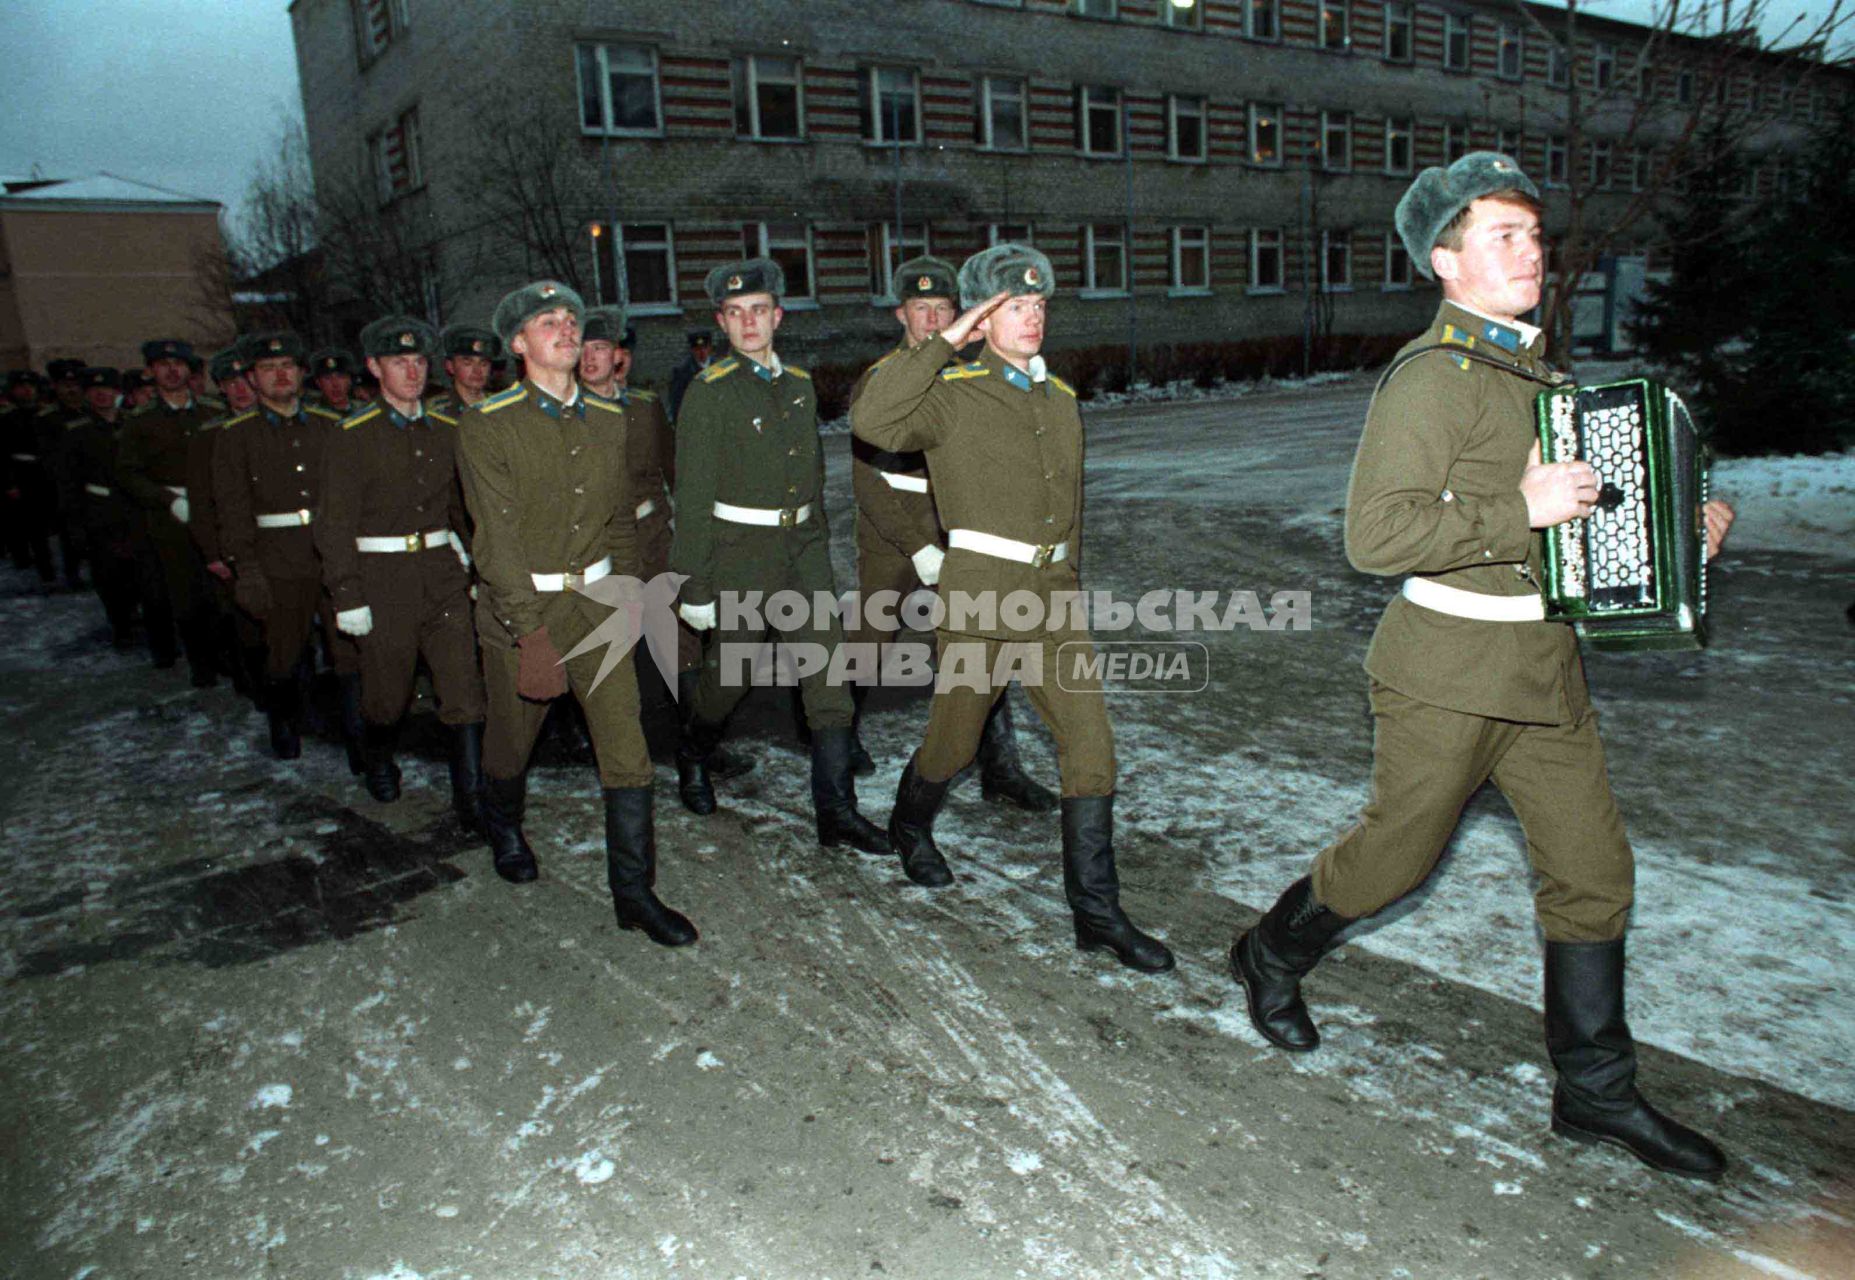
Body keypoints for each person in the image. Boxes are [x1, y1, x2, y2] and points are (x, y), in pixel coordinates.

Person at [1227, 152, 1735, 1183]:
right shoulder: (1432, 377)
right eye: (1502, 235)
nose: (1530, 253)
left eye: (1534, 235)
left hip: (1542, 672)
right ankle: (1271, 950)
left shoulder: (1538, 374)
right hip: (1444, 671)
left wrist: (1685, 534)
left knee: (1594, 875)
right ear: (1443, 261)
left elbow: (1578, 534)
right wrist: (1522, 510)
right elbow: (1375, 534)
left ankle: (1592, 1093)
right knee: (1393, 860)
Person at [850, 244, 1174, 975]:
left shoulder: (1058, 399)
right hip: (979, 597)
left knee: (1091, 747)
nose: (1030, 318)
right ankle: (910, 823)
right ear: (981, 318)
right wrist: (942, 342)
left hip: (1051, 598)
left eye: (1036, 306)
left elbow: (1070, 510)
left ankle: (1096, 914)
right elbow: (873, 419)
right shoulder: (950, 394)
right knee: (954, 742)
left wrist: (1069, 585)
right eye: (1011, 308)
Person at [455, 280, 696, 946]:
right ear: (518, 343)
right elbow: (494, 542)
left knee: (628, 751)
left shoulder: (611, 419)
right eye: (546, 321)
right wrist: (530, 636)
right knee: (512, 742)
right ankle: (502, 822)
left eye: (570, 319)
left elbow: (620, 521)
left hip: (598, 606)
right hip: (523, 614)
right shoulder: (487, 423)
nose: (564, 329)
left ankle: (634, 893)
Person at [669, 259, 889, 853]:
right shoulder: (709, 392)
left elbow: (810, 478)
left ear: (778, 316)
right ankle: (691, 751)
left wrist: (816, 549)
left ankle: (836, 814)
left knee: (829, 677)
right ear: (722, 322)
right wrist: (692, 588)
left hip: (801, 553)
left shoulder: (797, 383)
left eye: (758, 310)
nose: (748, 322)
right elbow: (691, 500)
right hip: (738, 555)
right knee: (730, 677)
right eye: (735, 313)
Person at [848, 254, 1057, 807]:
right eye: (922, 309)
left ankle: (1001, 768)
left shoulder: (974, 374)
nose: (935, 321)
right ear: (901, 315)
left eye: (944, 308)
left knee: (983, 650)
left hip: (959, 532)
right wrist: (917, 548)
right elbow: (868, 482)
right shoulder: (882, 381)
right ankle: (838, 737)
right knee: (872, 640)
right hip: (895, 529)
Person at [315, 317, 486, 822]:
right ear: (373, 368)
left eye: (417, 361)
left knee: (464, 690)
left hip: (441, 575)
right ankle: (379, 753)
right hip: (381, 581)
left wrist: (479, 570)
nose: (411, 372)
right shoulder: (352, 436)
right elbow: (334, 524)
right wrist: (346, 595)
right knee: (387, 698)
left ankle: (472, 800)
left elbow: (462, 510)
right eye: (397, 362)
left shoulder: (449, 431)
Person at [211, 331, 357, 760]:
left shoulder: (330, 426)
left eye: (287, 367)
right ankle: (285, 723)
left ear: (301, 374)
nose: (280, 376)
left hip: (333, 558)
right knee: (285, 653)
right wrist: (247, 569)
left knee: (348, 653)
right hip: (277, 560)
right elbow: (232, 509)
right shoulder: (236, 435)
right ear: (253, 379)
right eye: (268, 369)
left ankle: (358, 742)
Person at [116, 338, 223, 684]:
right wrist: (167, 500)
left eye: (178, 365)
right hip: (170, 521)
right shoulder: (140, 421)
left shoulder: (211, 411)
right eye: (163, 365)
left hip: (216, 512)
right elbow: (127, 474)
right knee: (186, 597)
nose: (172, 371)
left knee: (223, 592)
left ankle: (230, 663)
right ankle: (202, 667)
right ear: (151, 372)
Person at [56, 368, 143, 647]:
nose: (103, 395)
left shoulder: (135, 423)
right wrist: (76, 527)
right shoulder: (76, 432)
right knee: (109, 575)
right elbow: (68, 484)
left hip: (136, 509)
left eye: (108, 389)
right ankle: (121, 625)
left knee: (142, 571)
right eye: (95, 391)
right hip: (100, 513)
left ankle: (142, 618)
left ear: (119, 393)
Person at [2, 370, 57, 584]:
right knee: (34, 527)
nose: (27, 391)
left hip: (48, 472)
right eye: (21, 387)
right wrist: (9, 483)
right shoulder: (7, 419)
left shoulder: (47, 415)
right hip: (23, 475)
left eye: (30, 386)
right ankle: (45, 569)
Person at [430, 325, 501, 416]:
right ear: (450, 366)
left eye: (483, 363)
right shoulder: (436, 410)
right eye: (468, 363)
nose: (477, 371)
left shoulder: (501, 406)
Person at [666, 329, 714, 422]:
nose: (702, 352)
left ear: (710, 348)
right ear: (692, 350)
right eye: (697, 349)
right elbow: (677, 403)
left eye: (705, 347)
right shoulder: (682, 372)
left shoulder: (719, 366)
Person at [306, 348, 358, 416]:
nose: (335, 384)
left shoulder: (363, 411)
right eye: (327, 378)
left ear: (350, 380)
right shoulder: (310, 415)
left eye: (340, 377)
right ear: (318, 382)